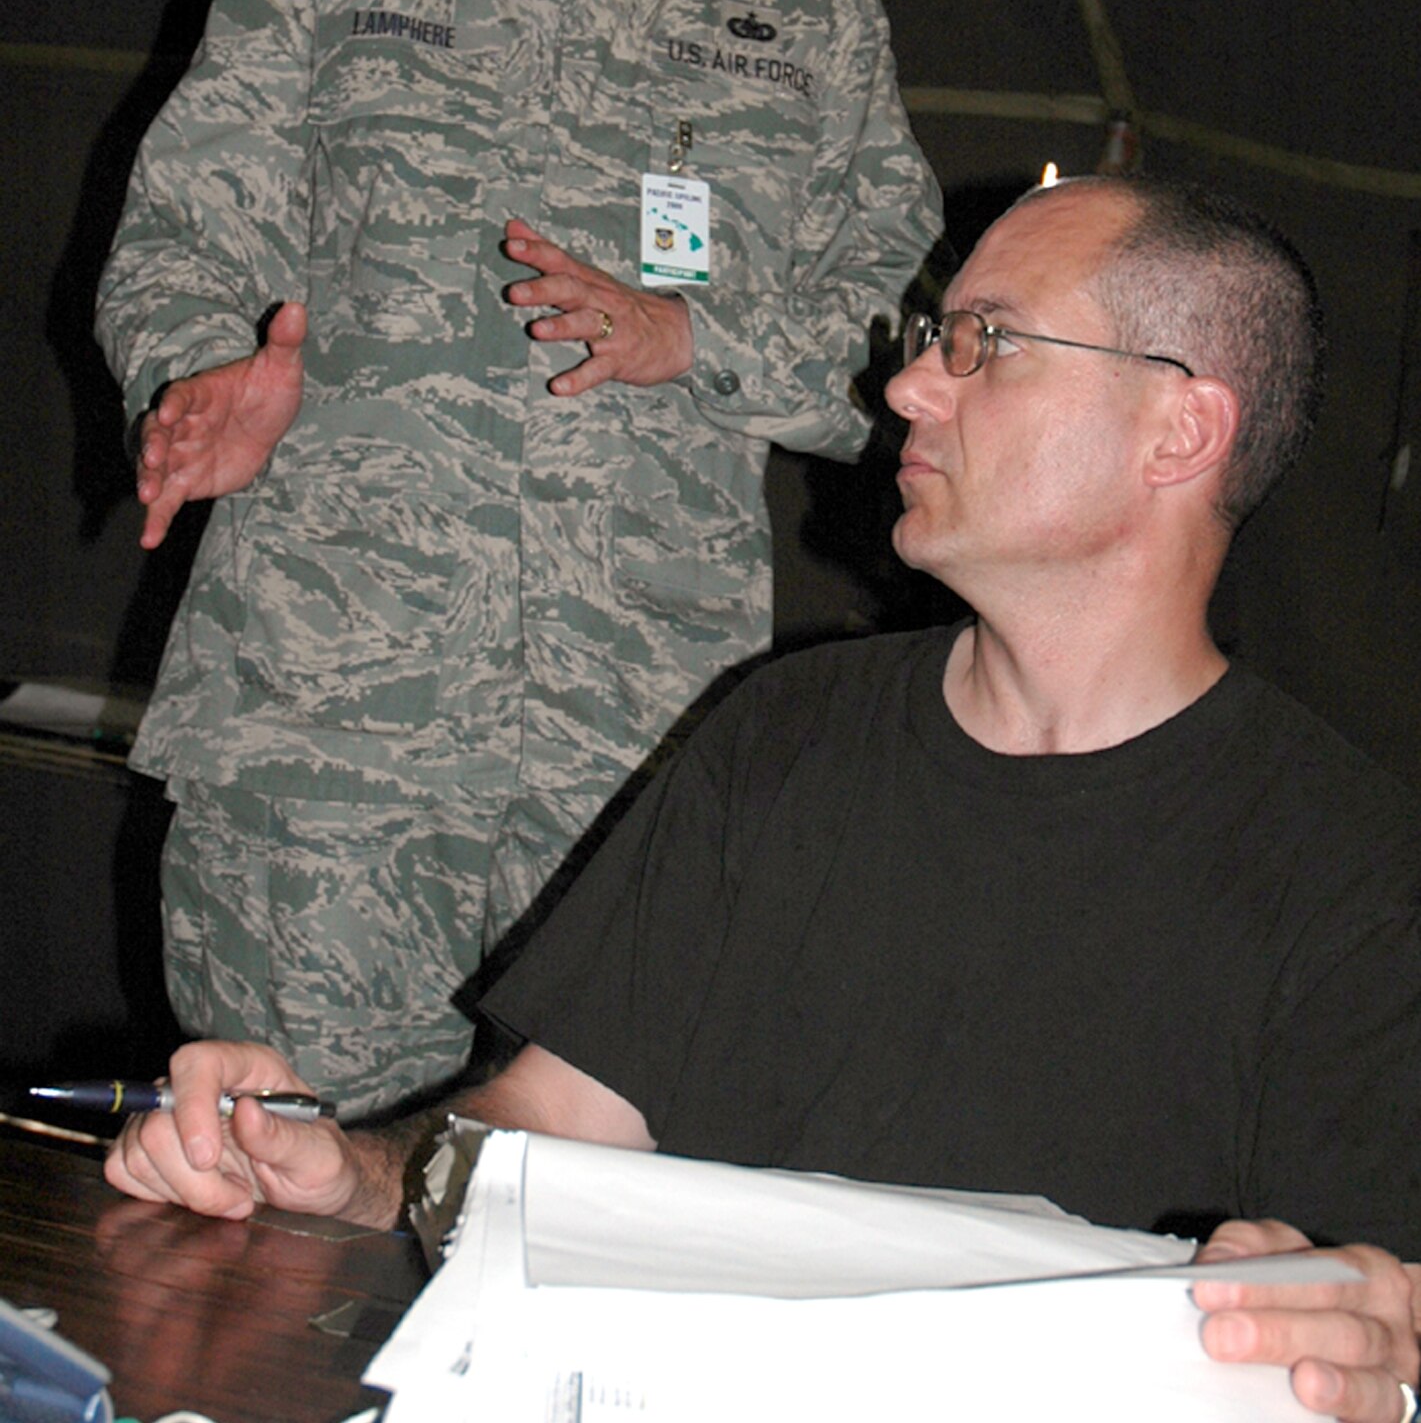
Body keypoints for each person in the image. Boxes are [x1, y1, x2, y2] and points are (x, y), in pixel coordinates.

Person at [108, 175, 1421, 1423]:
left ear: (1178, 429)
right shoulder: (786, 732)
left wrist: (1367, 1341)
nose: (904, 382)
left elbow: (1361, 1308)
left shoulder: (1347, 877)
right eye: (929, 335)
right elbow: (545, 1134)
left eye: (987, 341)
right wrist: (346, 1175)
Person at [93, 0, 943, 1116]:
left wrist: (700, 339)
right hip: (329, 731)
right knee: (276, 1200)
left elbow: (910, 345)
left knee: (582, 1225)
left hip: (631, 753)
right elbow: (183, 228)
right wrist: (205, 372)